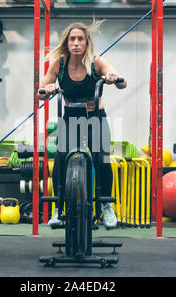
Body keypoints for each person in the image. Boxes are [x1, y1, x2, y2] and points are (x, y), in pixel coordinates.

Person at [38, 21, 127, 229]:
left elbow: (123, 83)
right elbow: (40, 93)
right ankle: (59, 208)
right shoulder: (58, 64)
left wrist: (113, 77)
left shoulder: (96, 63)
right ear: (67, 43)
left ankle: (106, 206)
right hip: (70, 116)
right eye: (72, 39)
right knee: (60, 158)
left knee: (102, 159)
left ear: (86, 43)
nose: (76, 43)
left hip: (95, 116)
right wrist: (49, 89)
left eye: (80, 39)